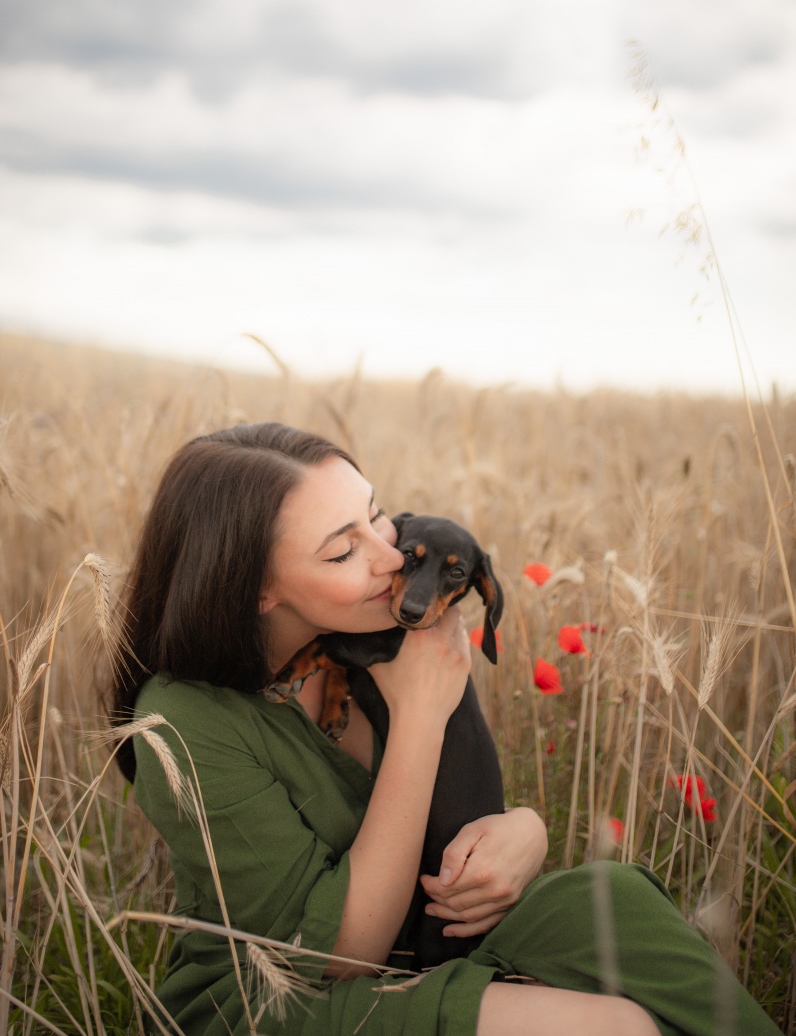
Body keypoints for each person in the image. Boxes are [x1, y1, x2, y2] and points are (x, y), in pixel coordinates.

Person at [111, 422, 780, 1036]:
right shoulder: (185, 721)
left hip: (429, 937)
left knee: (614, 899)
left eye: (376, 516)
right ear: (257, 588)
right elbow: (334, 954)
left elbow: (456, 802)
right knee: (621, 1029)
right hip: (279, 997)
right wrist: (420, 718)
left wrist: (526, 832)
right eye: (345, 549)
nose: (391, 557)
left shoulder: (384, 641)